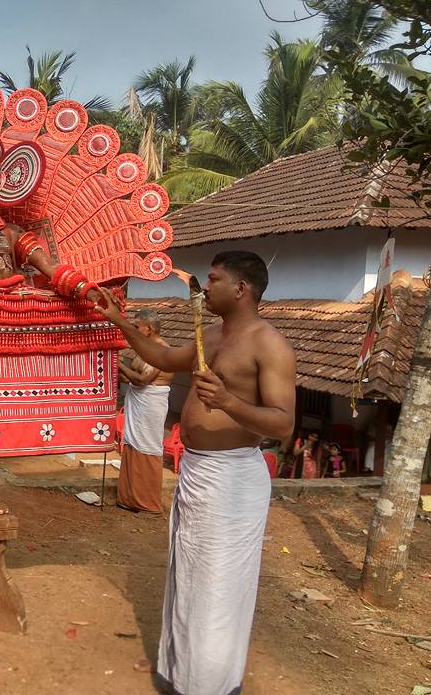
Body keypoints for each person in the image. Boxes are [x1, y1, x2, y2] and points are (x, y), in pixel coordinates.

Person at [95, 250, 296, 695]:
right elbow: (164, 358)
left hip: (232, 481)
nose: (206, 288)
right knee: (188, 574)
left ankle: (211, 685)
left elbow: (283, 424)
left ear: (241, 289)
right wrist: (120, 321)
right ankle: (182, 675)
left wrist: (228, 402)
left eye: (215, 279)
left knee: (218, 584)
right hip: (198, 473)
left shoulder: (269, 344)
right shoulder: (212, 335)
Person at [116, 309, 173, 514]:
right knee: (132, 445)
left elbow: (142, 380)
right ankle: (129, 497)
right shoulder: (145, 349)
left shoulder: (160, 350)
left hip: (151, 404)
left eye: (137, 326)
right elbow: (133, 378)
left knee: (146, 448)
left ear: (149, 329)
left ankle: (146, 500)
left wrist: (119, 364)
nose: (135, 329)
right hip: (139, 400)